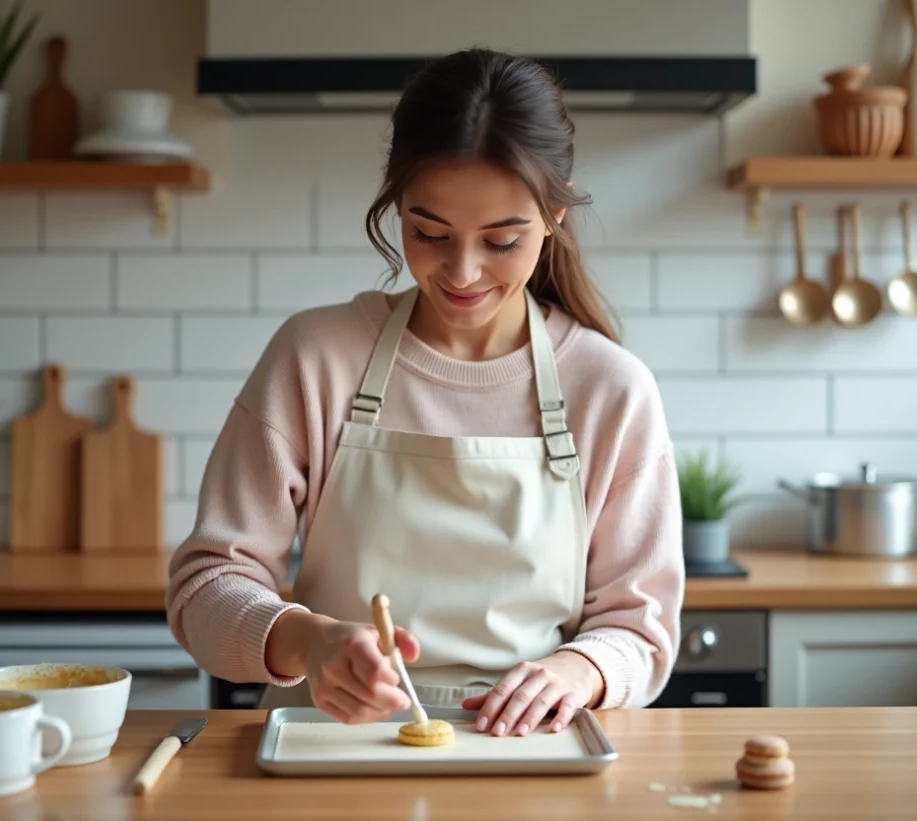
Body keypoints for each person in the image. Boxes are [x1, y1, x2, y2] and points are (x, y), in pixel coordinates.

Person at [166, 47, 684, 737]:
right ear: (395, 206)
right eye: (428, 232)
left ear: (555, 214)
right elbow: (204, 587)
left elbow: (641, 630)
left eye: (502, 240)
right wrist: (307, 640)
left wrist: (579, 670)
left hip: (530, 756)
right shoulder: (315, 358)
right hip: (329, 745)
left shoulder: (611, 389)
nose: (463, 271)